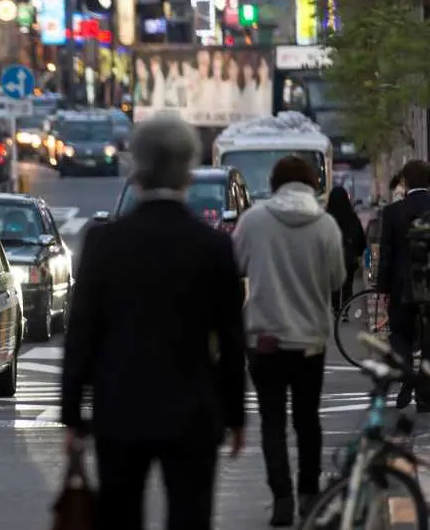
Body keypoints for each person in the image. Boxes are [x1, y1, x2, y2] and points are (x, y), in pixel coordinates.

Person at [61, 115, 246, 530]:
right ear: (188, 172)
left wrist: (72, 414)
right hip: (193, 409)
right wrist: (235, 415)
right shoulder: (213, 246)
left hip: (119, 406)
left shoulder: (104, 242)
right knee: (190, 516)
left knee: (121, 515)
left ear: (136, 167)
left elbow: (83, 332)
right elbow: (232, 340)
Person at [232, 155, 346, 526]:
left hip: (265, 338)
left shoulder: (254, 221)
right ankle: (309, 493)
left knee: (272, 421)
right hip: (310, 339)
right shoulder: (326, 225)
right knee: (307, 419)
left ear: (276, 183)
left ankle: (281, 497)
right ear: (313, 184)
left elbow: (237, 264)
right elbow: (336, 279)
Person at [377, 160, 430, 410]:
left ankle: (406, 374)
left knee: (400, 334)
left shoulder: (393, 212)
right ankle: (425, 394)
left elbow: (386, 254)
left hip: (401, 285)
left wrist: (382, 289)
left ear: (405, 183)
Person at [326, 186, 366, 319]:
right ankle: (345, 309)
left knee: (334, 284)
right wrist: (359, 253)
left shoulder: (326, 218)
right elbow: (360, 237)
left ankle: (336, 308)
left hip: (331, 256)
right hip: (349, 256)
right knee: (348, 284)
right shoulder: (352, 216)